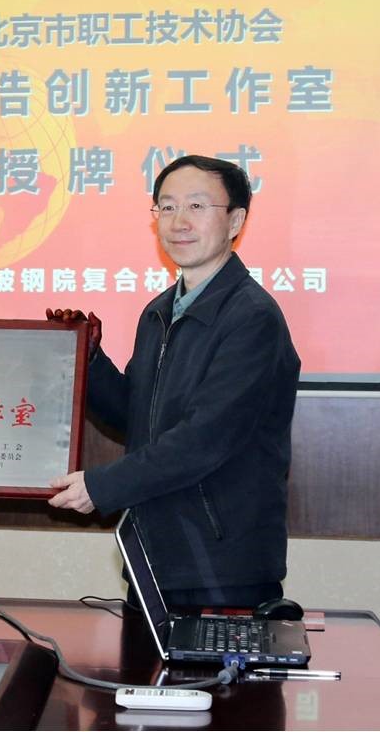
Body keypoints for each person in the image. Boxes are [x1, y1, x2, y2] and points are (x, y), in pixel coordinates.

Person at [47, 154, 300, 610]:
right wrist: (88, 359)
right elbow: (136, 415)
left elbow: (205, 439)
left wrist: (101, 486)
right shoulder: (159, 311)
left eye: (197, 206)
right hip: (154, 556)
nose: (179, 221)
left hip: (221, 566)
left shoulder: (253, 318)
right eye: (167, 207)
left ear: (235, 221)